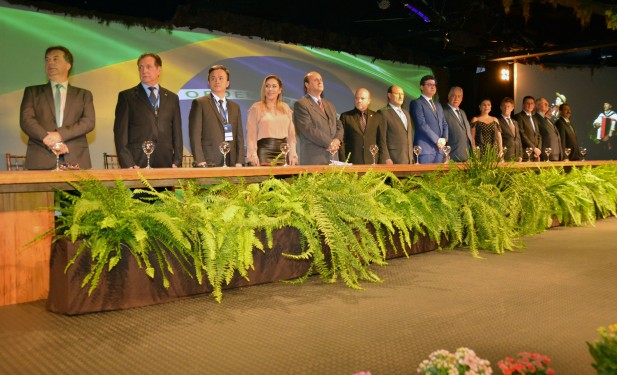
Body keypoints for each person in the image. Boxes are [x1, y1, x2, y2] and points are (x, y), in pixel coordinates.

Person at [20, 46, 95, 170]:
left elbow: (88, 122)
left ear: (68, 65)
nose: (50, 63)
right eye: (47, 60)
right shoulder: (32, 92)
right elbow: (26, 120)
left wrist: (60, 135)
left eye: (55, 59)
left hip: (75, 159)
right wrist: (47, 138)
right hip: (41, 158)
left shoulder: (83, 95)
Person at [114, 53, 183, 168]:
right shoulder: (127, 97)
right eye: (140, 67)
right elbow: (120, 135)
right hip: (137, 164)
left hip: (166, 163)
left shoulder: (172, 98)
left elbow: (177, 133)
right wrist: (128, 164)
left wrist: (177, 161)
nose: (144, 71)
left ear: (159, 70)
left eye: (148, 67)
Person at [189, 65, 244, 167]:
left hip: (231, 161)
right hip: (209, 160)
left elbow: (239, 137)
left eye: (221, 78)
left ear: (228, 83)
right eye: (213, 78)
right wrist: (200, 160)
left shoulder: (235, 107)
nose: (217, 81)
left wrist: (239, 161)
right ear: (209, 83)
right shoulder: (200, 103)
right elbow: (195, 135)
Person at [293, 71, 343, 165]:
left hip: (333, 157)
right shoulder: (301, 104)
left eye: (321, 80)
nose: (320, 82)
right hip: (314, 158)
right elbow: (308, 129)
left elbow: (338, 124)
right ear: (307, 85)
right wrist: (330, 143)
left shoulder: (329, 104)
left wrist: (337, 140)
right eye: (316, 80)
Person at [246, 75, 297, 166]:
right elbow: (251, 135)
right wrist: (252, 155)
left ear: (280, 90)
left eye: (274, 86)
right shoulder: (256, 108)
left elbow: (291, 136)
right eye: (267, 86)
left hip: (283, 153)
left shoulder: (286, 108)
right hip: (265, 152)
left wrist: (293, 154)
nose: (270, 89)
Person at [339, 88, 386, 164]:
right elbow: (342, 141)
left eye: (362, 98)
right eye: (356, 98)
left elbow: (381, 142)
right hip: (352, 162)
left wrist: (381, 162)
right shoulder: (346, 116)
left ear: (369, 101)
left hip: (372, 162)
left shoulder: (377, 117)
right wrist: (343, 162)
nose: (359, 100)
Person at [409, 75, 448, 164]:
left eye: (434, 85)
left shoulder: (438, 104)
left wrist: (444, 139)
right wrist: (437, 140)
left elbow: (444, 123)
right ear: (422, 87)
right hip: (425, 149)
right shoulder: (416, 103)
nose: (433, 87)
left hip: (439, 150)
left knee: (439, 177)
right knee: (425, 177)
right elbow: (421, 124)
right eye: (429, 84)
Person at [378, 86, 413, 164]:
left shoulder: (406, 113)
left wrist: (411, 157)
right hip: (393, 159)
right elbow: (381, 138)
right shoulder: (383, 113)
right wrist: (386, 157)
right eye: (397, 94)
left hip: (408, 160)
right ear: (389, 95)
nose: (400, 96)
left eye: (402, 94)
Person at [442, 86, 474, 162]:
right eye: (454, 96)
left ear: (462, 98)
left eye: (459, 96)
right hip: (452, 156)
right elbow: (441, 134)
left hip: (466, 156)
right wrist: (445, 154)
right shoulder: (443, 112)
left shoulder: (462, 112)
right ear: (449, 97)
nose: (456, 99)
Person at [513, 95, 542, 161]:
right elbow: (522, 135)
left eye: (532, 103)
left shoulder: (535, 118)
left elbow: (538, 134)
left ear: (534, 105)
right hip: (525, 153)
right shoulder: (519, 117)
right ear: (523, 105)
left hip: (536, 154)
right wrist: (534, 148)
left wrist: (539, 149)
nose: (530, 105)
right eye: (527, 103)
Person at [535, 97, 563, 161]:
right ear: (537, 105)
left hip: (556, 155)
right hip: (545, 156)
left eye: (547, 103)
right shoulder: (535, 118)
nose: (547, 105)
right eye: (544, 104)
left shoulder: (547, 119)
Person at [497, 97, 522, 162]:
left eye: (508, 106)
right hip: (505, 155)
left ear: (512, 108)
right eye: (504, 106)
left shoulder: (515, 122)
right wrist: (500, 154)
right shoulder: (497, 121)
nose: (506, 108)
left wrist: (520, 154)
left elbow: (518, 139)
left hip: (516, 156)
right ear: (500, 107)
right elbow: (496, 138)